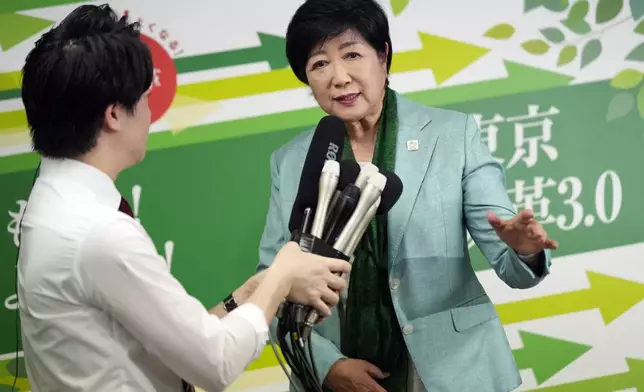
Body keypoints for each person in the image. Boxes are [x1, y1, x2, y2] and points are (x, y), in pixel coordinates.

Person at [16, 4, 351, 392]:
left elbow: (177, 342)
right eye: (143, 98)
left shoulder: (52, 201)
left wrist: (251, 292)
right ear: (113, 115)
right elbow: (215, 363)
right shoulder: (100, 233)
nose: (148, 114)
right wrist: (283, 272)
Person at [255, 0, 559, 391]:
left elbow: (513, 269)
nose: (339, 77)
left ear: (383, 57)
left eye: (352, 54)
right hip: (340, 370)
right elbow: (271, 282)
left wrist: (523, 249)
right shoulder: (291, 160)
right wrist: (328, 366)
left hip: (452, 367)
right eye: (319, 64)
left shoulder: (453, 135)